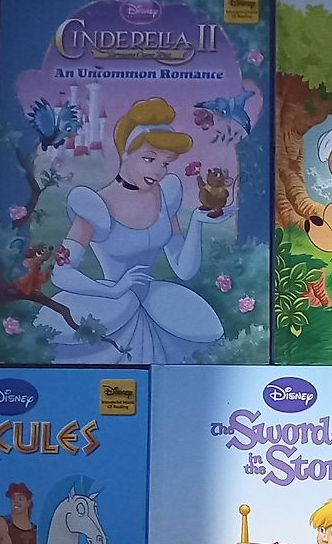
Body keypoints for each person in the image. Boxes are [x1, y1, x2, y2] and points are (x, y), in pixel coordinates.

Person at [36, 97, 223, 363]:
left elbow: (184, 269)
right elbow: (62, 273)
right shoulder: (95, 206)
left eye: (165, 163)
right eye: (149, 158)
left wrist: (197, 222)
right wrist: (113, 291)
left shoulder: (166, 196)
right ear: (125, 153)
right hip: (112, 304)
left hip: (155, 300)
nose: (158, 171)